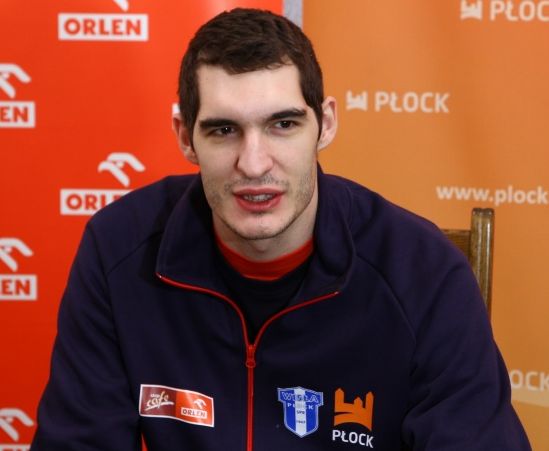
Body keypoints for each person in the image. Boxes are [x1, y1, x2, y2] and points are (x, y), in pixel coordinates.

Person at [32, 7, 531, 451]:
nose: (253, 164)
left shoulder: (424, 271)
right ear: (186, 137)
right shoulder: (118, 251)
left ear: (325, 124)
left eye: (283, 125)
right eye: (223, 130)